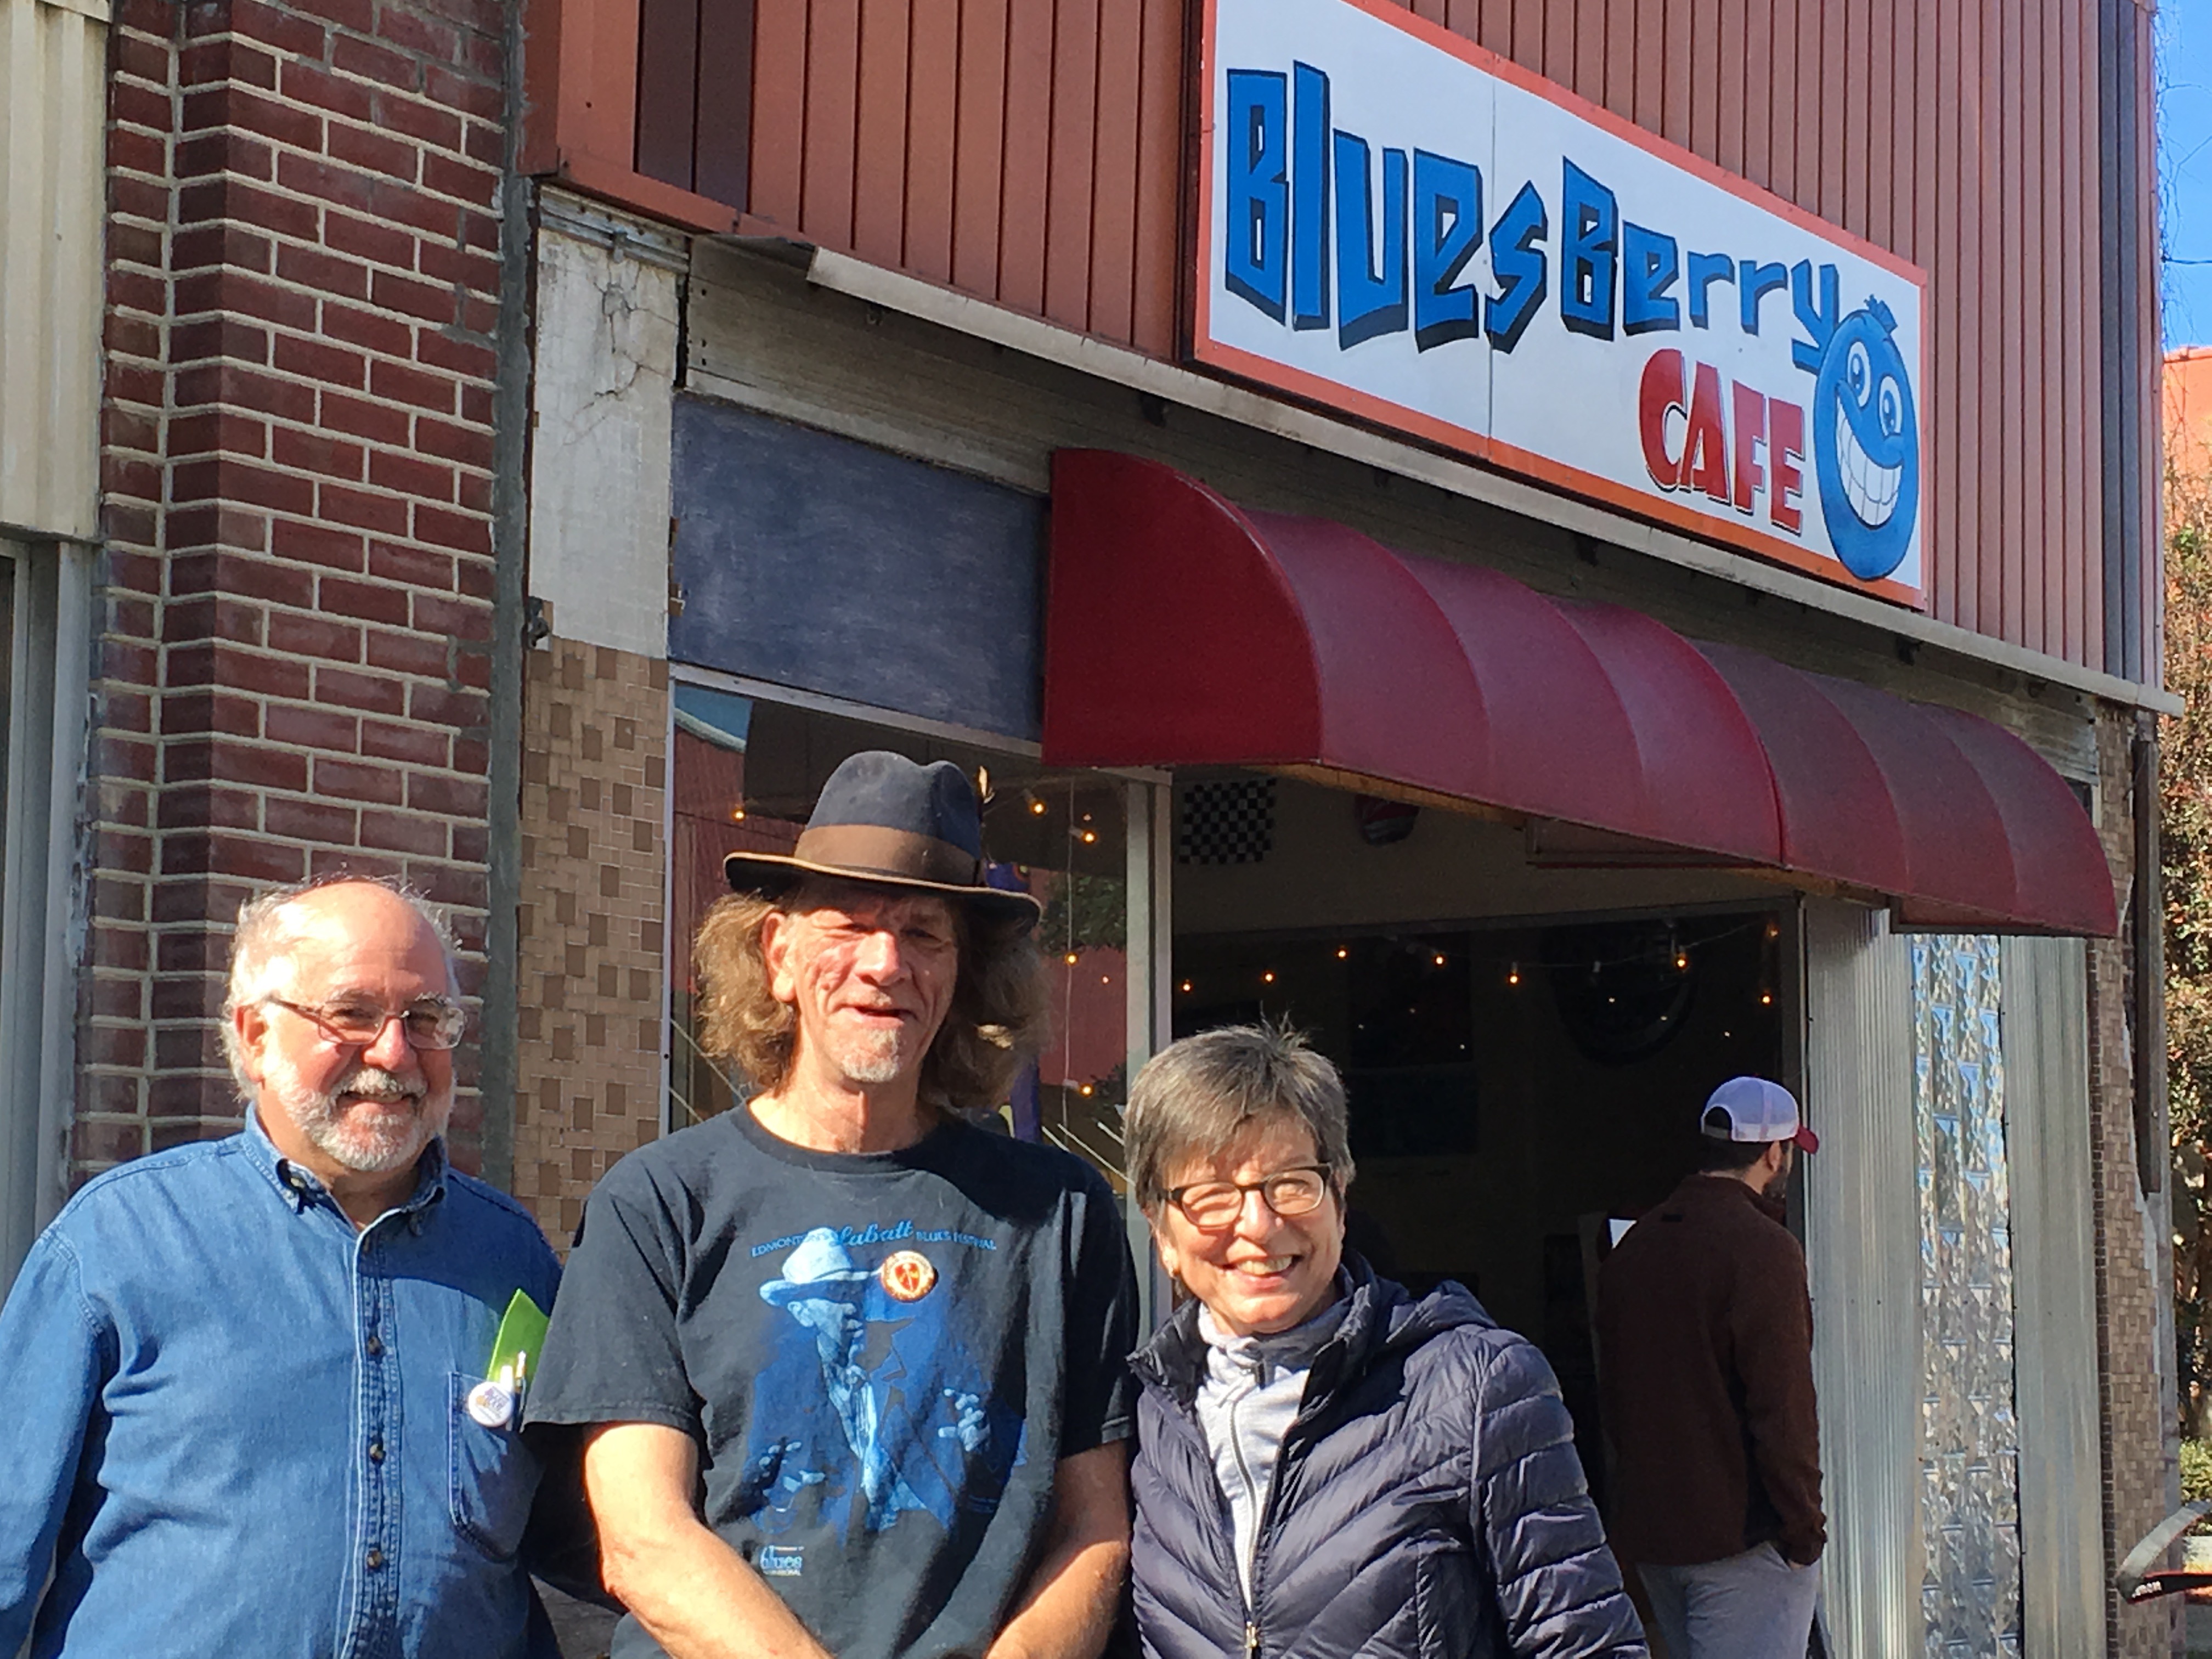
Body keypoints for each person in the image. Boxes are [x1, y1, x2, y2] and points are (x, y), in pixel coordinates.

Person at [527, 750, 1139, 1659]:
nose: (884, 964)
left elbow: (1095, 1528)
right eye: (849, 925)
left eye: (924, 933)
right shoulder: (658, 1203)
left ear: (963, 973)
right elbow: (642, 1536)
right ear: (778, 953)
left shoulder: (1060, 1214)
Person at [0, 874, 567, 1656]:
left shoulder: (511, 1258)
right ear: (256, 1035)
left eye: (425, 1019)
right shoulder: (119, 1244)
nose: (394, 1052)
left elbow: (594, 1535)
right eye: (352, 1013)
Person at [1122, 1023, 1648, 1659]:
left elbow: (1587, 1646)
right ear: (1162, 1234)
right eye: (1212, 1196)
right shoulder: (1146, 1416)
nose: (1258, 1225)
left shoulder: (1475, 1388)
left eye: (1292, 1183)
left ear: (1340, 1200)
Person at [1595, 1076, 1826, 1659]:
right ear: (1774, 1154)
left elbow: (1616, 1398)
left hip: (1656, 1537)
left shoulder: (1635, 1248)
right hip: (1743, 1542)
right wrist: (1804, 1533)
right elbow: (1783, 1409)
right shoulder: (1764, 1249)